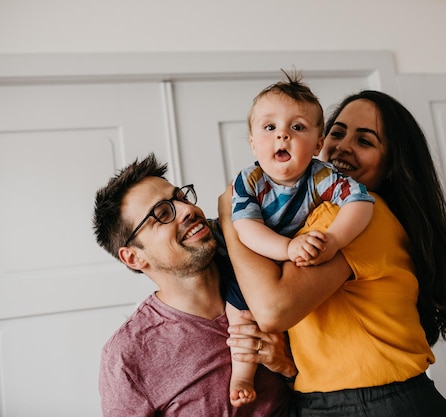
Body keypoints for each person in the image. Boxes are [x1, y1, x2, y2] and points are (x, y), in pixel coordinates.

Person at [221, 90, 446, 416]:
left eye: (365, 141)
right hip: (341, 398)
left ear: (391, 165)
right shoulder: (314, 212)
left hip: (370, 403)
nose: (342, 146)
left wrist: (230, 214)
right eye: (338, 133)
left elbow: (273, 309)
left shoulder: (350, 216)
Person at [92, 154, 294, 417]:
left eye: (182, 198)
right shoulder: (126, 356)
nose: (188, 210)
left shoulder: (268, 282)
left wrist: (288, 369)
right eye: (163, 213)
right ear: (134, 257)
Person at [228, 72, 374, 406]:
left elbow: (361, 203)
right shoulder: (249, 180)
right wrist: (287, 247)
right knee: (241, 316)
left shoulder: (320, 176)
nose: (282, 135)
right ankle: (242, 374)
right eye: (269, 128)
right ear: (252, 142)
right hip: (255, 253)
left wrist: (335, 240)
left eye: (297, 128)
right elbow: (246, 229)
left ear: (318, 144)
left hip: (289, 269)